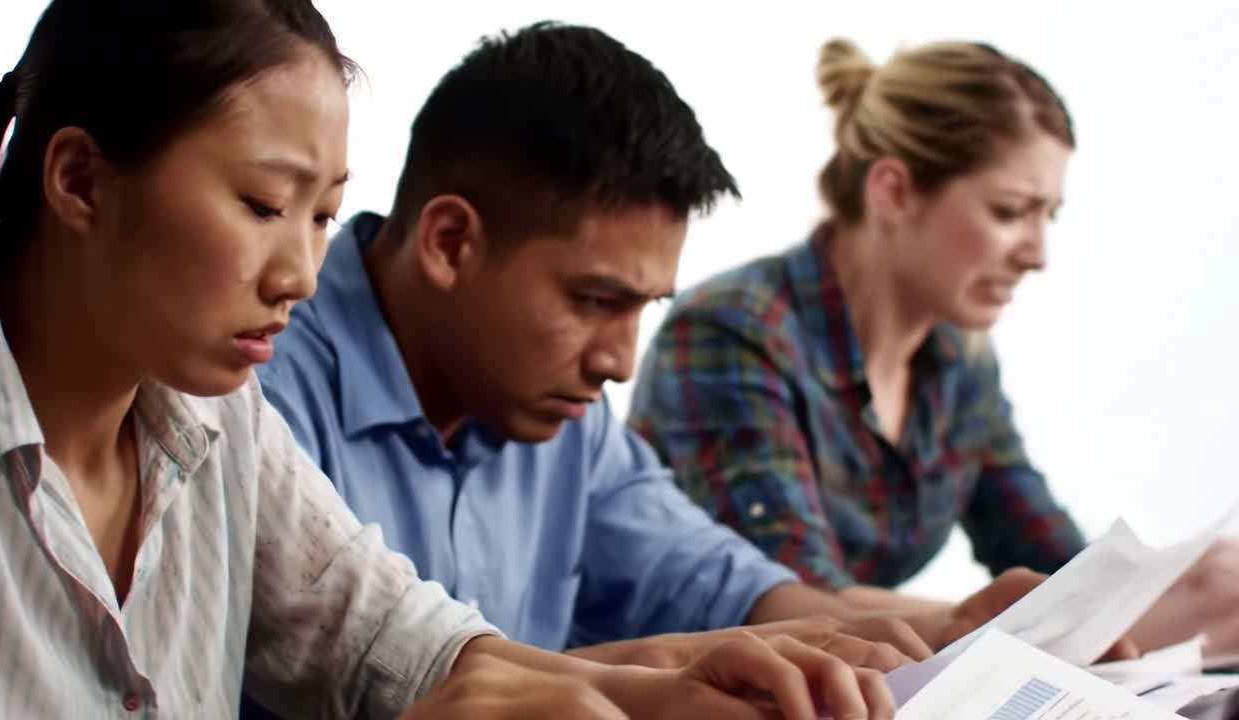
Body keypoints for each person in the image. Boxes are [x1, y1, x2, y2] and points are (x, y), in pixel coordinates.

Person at [0, 4, 903, 718]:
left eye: (322, 216)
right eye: (261, 205)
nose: (298, 274)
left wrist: (674, 688)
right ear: (79, 180)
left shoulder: (215, 413)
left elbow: (402, 642)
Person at [253, 21, 1039, 695]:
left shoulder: (564, 415)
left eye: (642, 308)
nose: (621, 363)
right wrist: (665, 673)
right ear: (451, 242)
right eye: (595, 301)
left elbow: (712, 582)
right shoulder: (257, 382)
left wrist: (948, 630)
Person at [627, 37, 1238, 653]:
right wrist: (1011, 629)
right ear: (893, 190)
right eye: (1009, 212)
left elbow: (1053, 564)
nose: (1036, 255)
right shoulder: (732, 333)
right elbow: (785, 598)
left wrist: (1170, 588)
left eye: (1046, 216)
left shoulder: (957, 361)